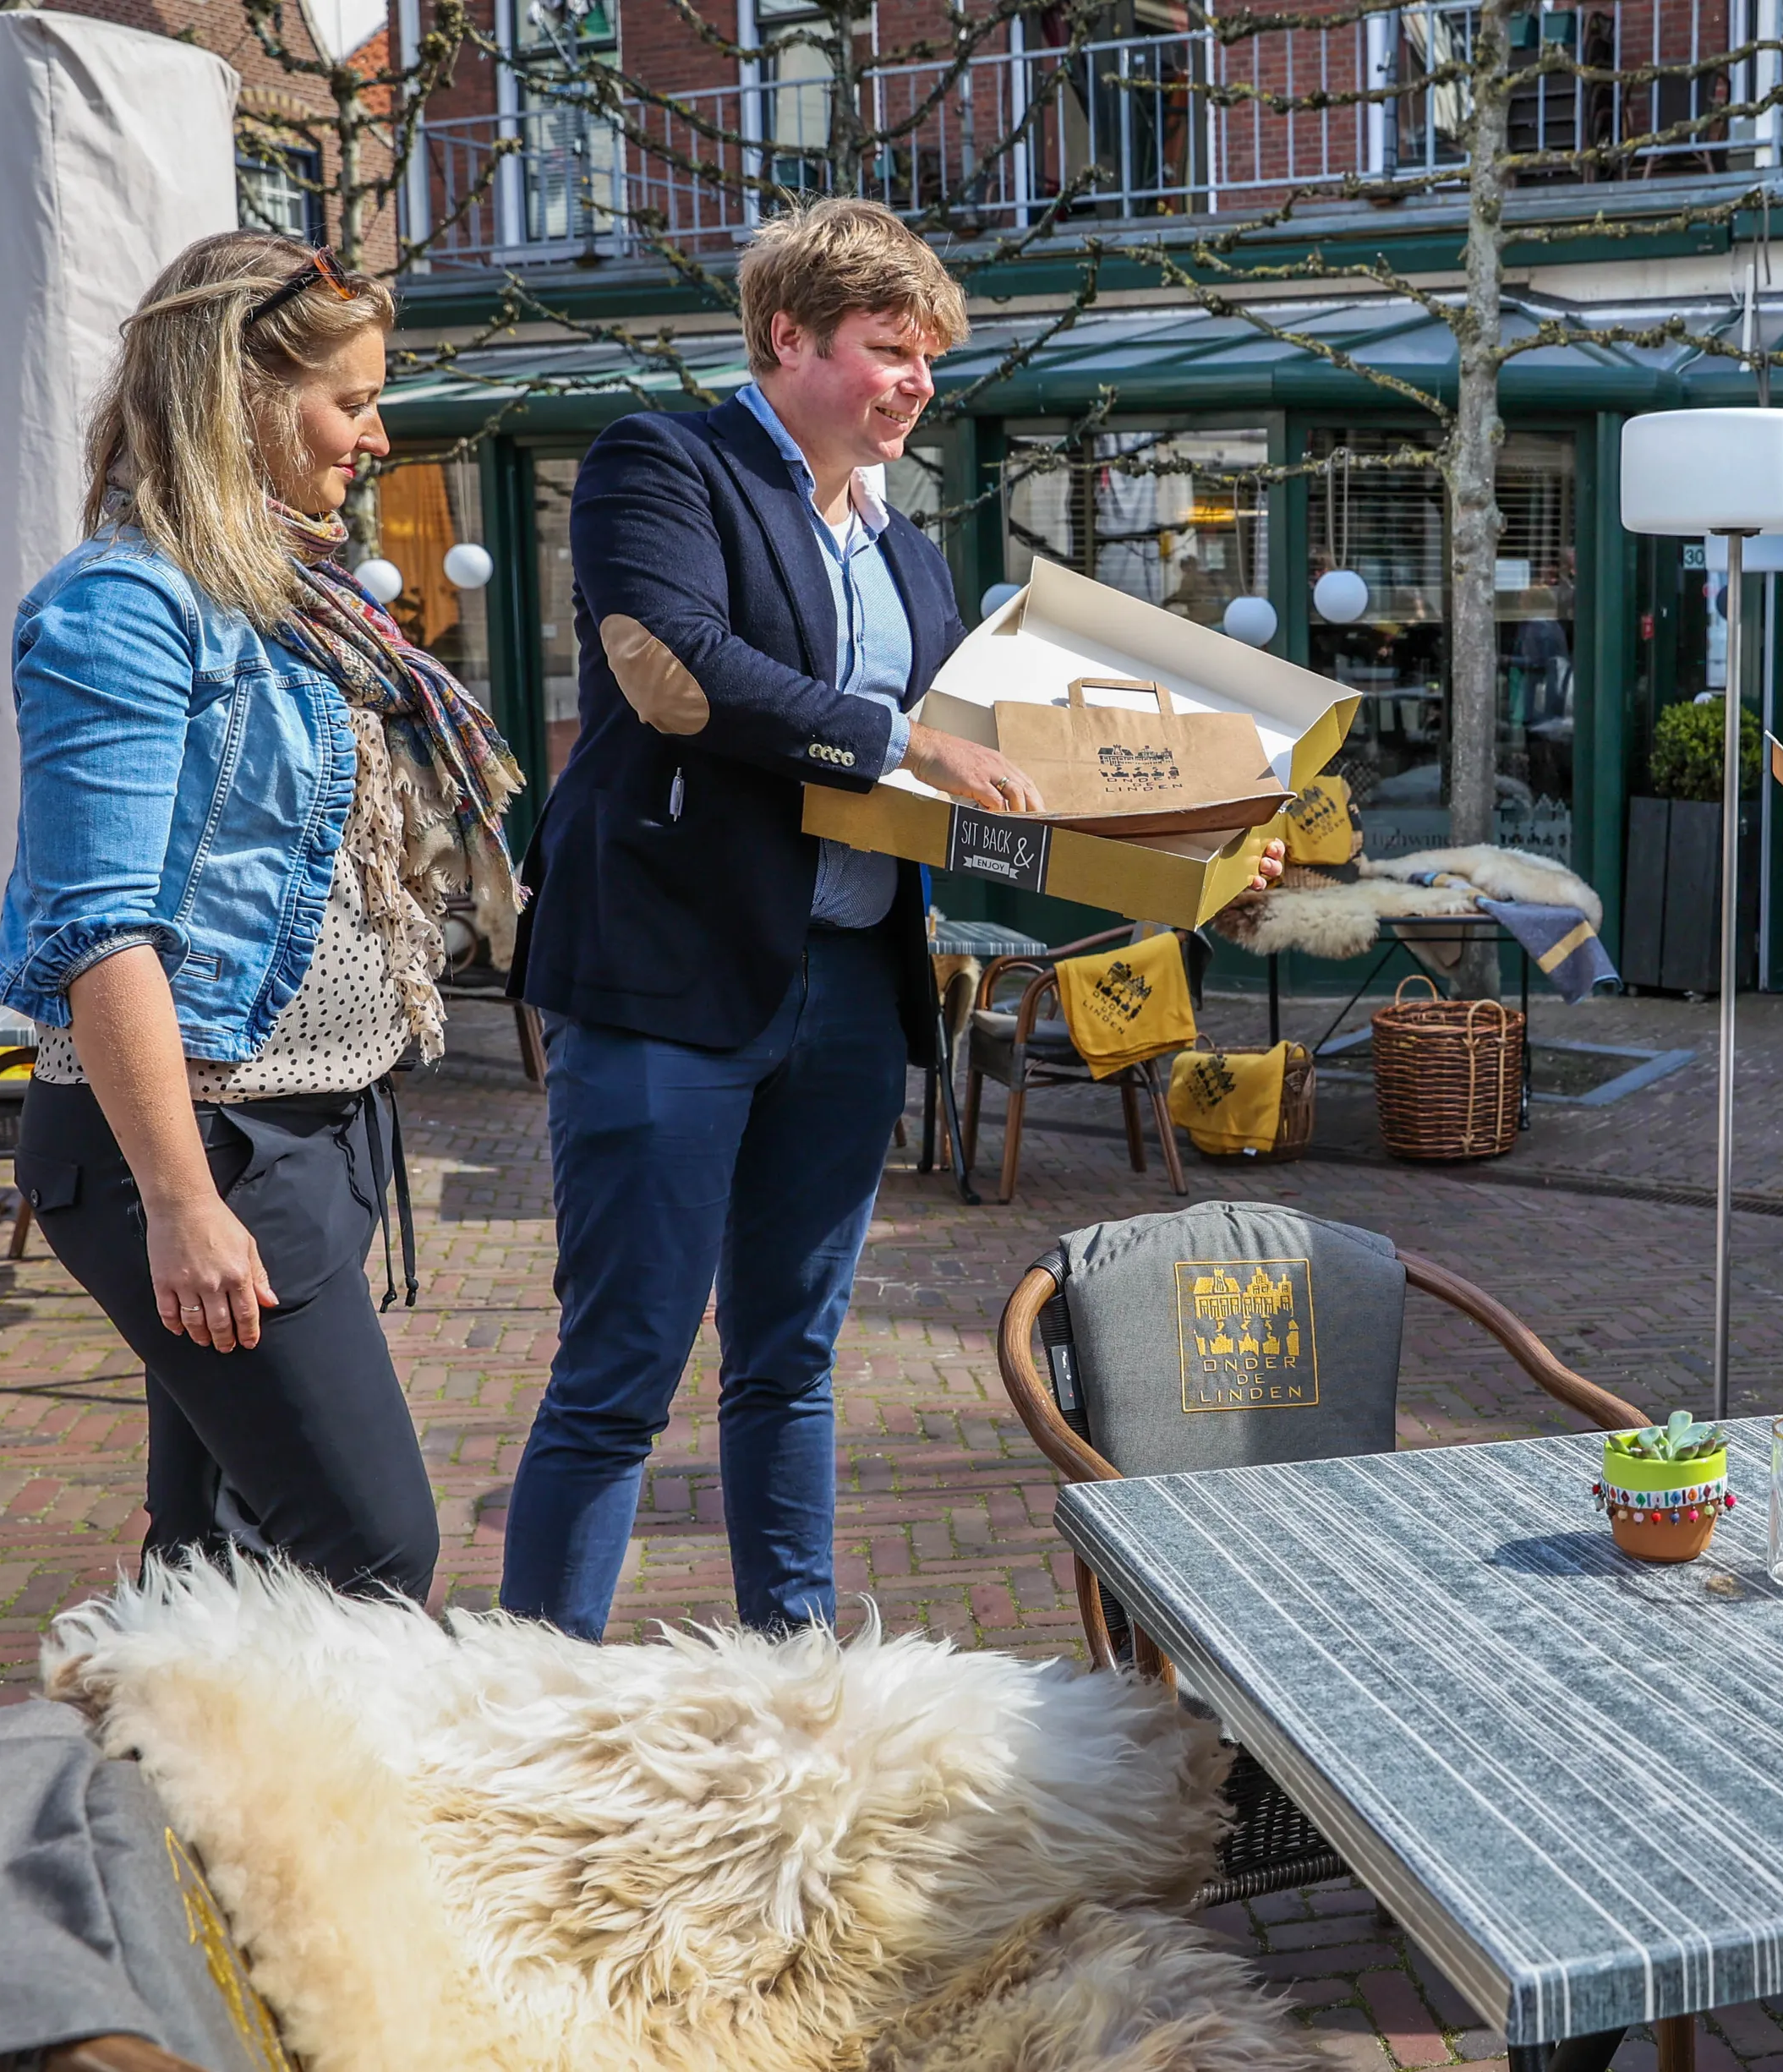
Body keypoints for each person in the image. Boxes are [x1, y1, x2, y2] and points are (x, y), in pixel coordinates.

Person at [498, 198, 1278, 1637]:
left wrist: (1204, 849)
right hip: (670, 978)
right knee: (622, 1369)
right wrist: (906, 738)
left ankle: (796, 1665)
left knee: (790, 1358)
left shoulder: (911, 559)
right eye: (889, 348)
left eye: (930, 357)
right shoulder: (663, 466)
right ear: (787, 337)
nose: (918, 381)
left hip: (854, 982)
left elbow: (1001, 784)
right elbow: (680, 670)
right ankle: (536, 1695)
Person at [0, 232, 524, 1601]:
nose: (376, 435)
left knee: (219, 1558)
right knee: (373, 1545)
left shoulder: (289, 599)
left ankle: (161, 1808)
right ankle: (314, 1813)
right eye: (350, 401)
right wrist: (181, 1199)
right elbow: (102, 929)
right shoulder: (123, 610)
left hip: (311, 1126)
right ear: (243, 400)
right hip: (204, 1144)